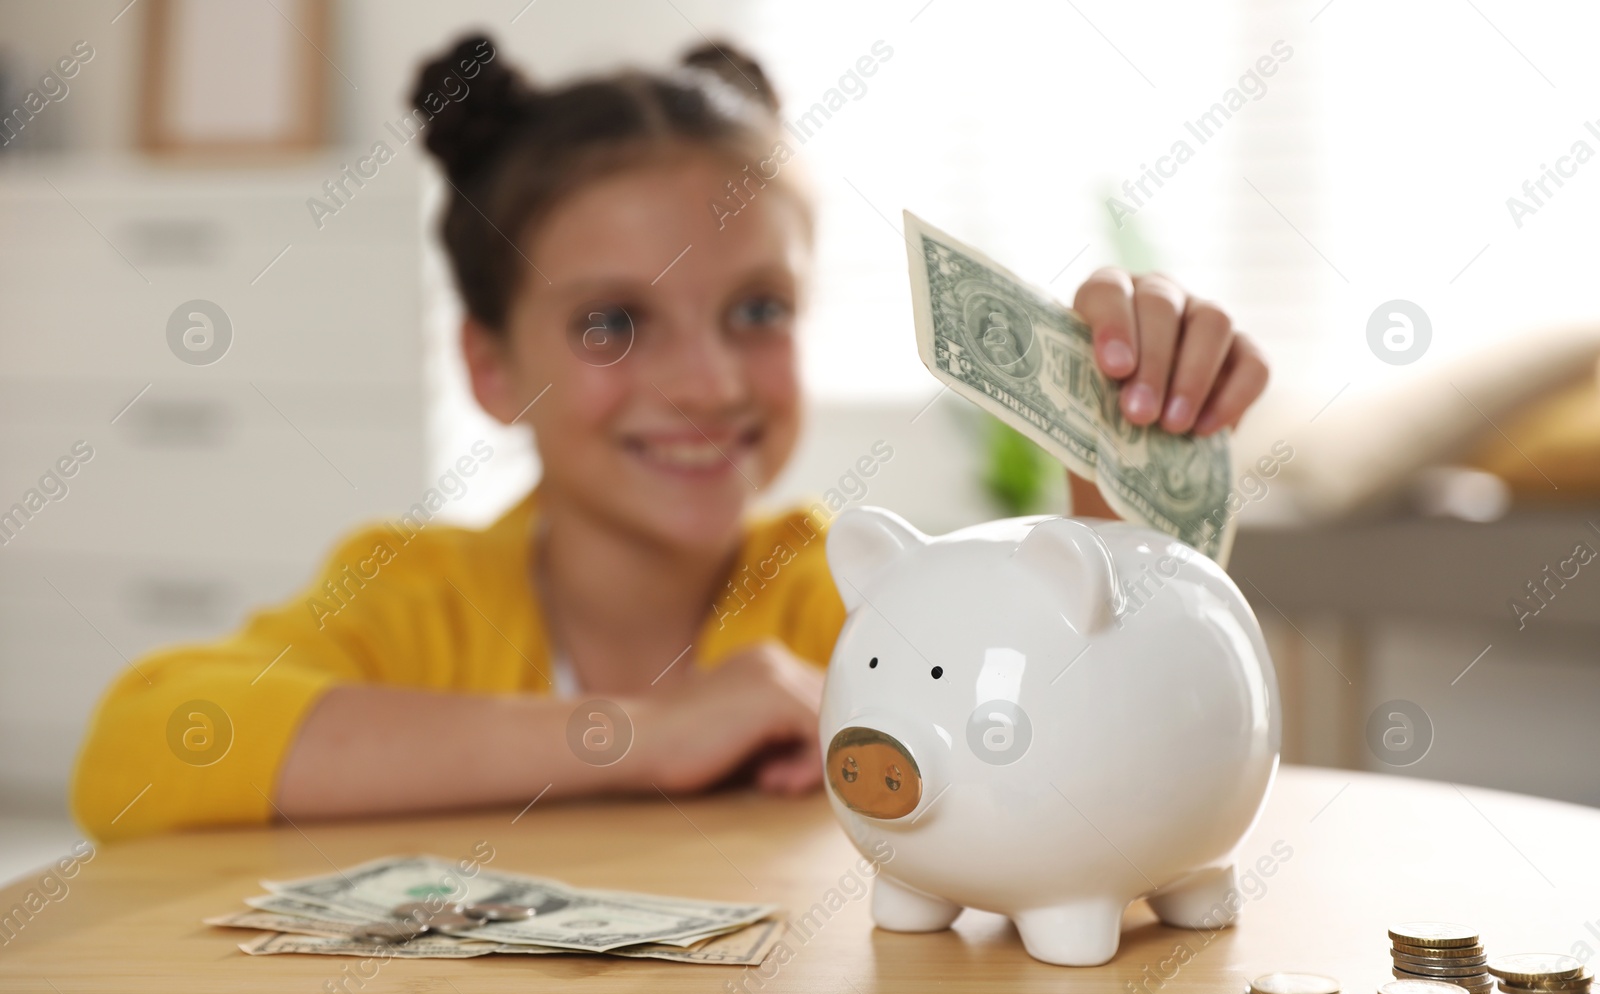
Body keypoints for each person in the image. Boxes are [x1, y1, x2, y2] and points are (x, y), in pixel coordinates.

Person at [71, 36, 1268, 841]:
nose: (703, 383)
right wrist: (646, 730)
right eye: (612, 321)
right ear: (491, 370)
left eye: (755, 309)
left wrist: (1118, 467)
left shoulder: (858, 610)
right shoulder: (416, 597)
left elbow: (1105, 770)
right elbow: (139, 747)